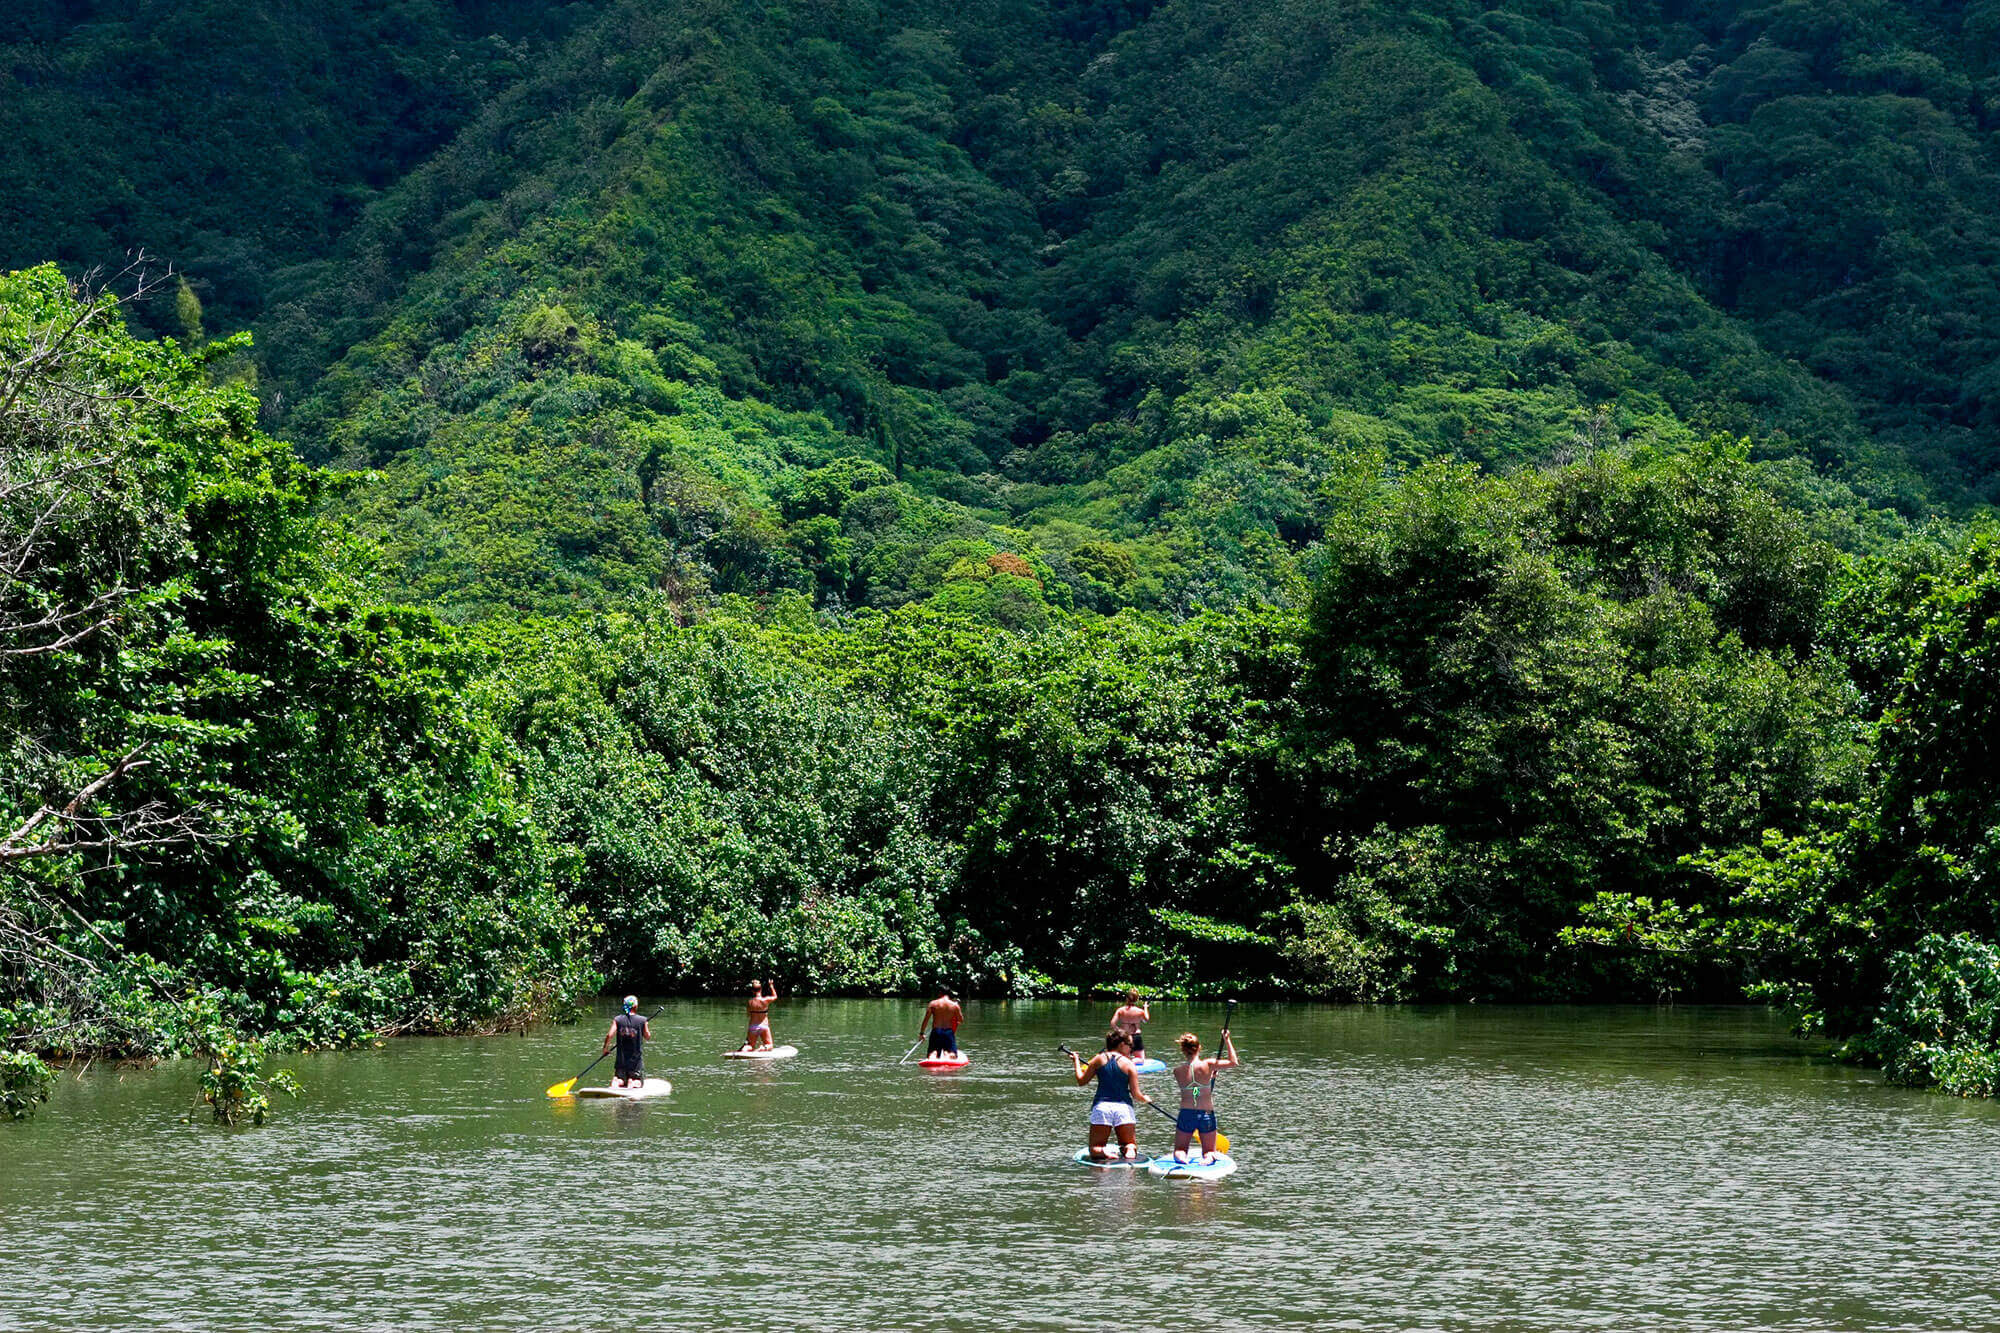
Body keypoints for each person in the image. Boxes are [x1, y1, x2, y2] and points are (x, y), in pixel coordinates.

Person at [1070, 1030, 1152, 1161]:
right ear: (1120, 1045)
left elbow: (1081, 1081)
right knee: (1129, 1144)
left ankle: (1102, 1152)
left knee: (1095, 1147)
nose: (1131, 1048)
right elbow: (1136, 1095)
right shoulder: (1129, 1064)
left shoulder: (1098, 1059)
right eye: (1129, 1045)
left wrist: (1076, 1062)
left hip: (1102, 1107)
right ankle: (1129, 1150)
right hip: (1124, 1108)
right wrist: (1145, 1099)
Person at [1168, 1028, 1238, 1163]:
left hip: (1186, 1114)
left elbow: (1194, 1088)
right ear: (1199, 1048)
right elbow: (1233, 1062)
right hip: (1206, 1114)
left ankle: (1182, 1158)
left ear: (1183, 1050)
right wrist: (1227, 1040)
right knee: (1209, 1151)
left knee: (1180, 1150)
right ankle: (1207, 1158)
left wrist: (1209, 1078)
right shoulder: (1208, 1064)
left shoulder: (1177, 1071)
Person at [601, 996, 651, 1089]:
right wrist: (644, 1026)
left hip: (621, 1061)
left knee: (619, 1078)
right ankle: (633, 1082)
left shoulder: (618, 1019)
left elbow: (609, 1035)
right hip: (635, 1063)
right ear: (636, 1006)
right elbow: (647, 1037)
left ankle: (616, 1081)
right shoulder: (642, 1020)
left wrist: (605, 1049)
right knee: (637, 1081)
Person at [919, 987, 963, 1060]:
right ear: (949, 994)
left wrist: (922, 1033)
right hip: (948, 1032)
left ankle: (933, 1058)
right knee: (951, 1054)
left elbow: (926, 1020)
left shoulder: (933, 1003)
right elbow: (960, 1020)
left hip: (936, 1032)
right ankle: (948, 1055)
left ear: (940, 993)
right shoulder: (954, 1005)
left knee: (933, 1053)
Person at [1111, 988, 1151, 1059]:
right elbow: (1146, 1019)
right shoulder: (1139, 1011)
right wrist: (1145, 1008)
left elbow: (1113, 1023)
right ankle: (1132, 1062)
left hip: (1124, 1036)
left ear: (1127, 999)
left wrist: (1119, 1032)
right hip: (1136, 1036)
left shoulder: (1120, 1010)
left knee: (1124, 1057)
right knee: (1141, 1059)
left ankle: (1126, 1063)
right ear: (1137, 999)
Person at [742, 978, 779, 1051]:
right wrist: (771, 986)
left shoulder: (750, 1002)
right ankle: (762, 1048)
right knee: (770, 1045)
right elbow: (775, 997)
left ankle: (745, 1049)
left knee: (750, 1045)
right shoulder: (765, 1000)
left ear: (752, 991)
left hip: (752, 1027)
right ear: (761, 989)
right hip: (764, 1026)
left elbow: (748, 1015)